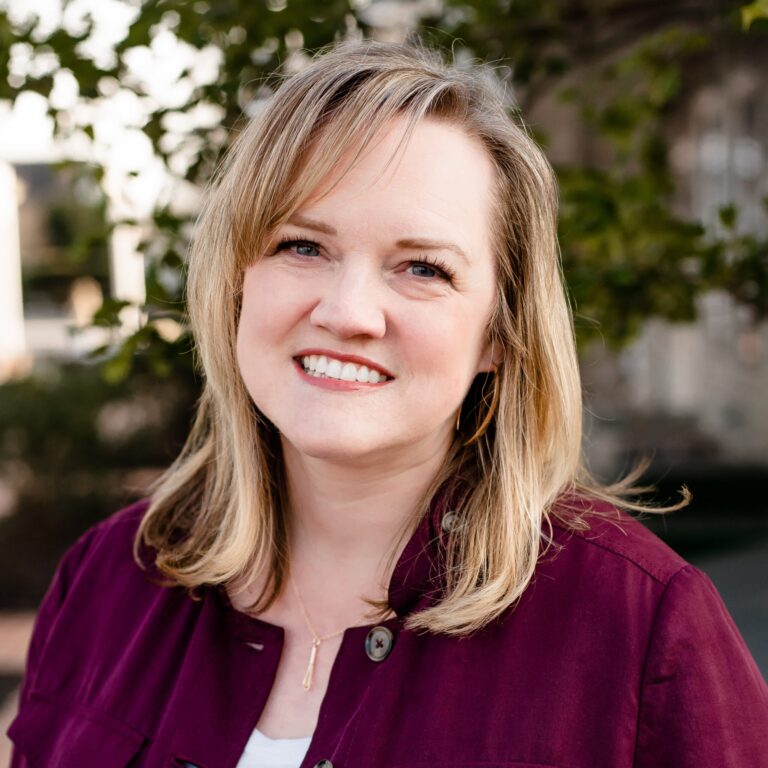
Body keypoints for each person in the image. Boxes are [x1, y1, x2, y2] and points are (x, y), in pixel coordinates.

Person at [8, 40, 767, 768]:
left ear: (499, 333)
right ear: (237, 280)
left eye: (423, 268)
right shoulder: (108, 581)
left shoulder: (641, 629)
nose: (348, 313)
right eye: (303, 246)